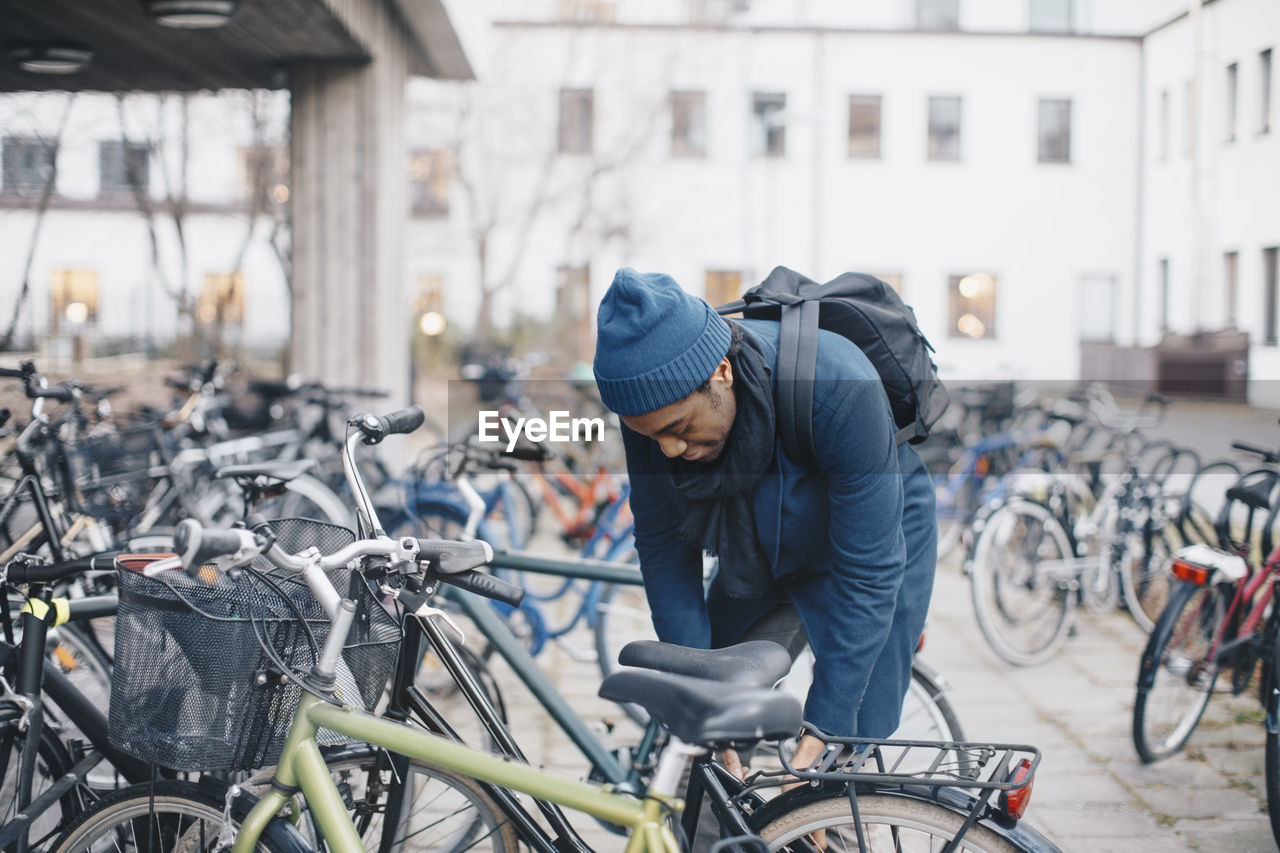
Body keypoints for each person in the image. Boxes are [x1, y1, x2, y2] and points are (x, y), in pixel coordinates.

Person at [592, 268, 937, 779]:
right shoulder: (652, 409)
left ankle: (830, 823)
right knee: (706, 737)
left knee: (844, 747)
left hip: (874, 539)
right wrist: (702, 702)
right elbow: (664, 548)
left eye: (680, 429)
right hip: (757, 541)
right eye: (650, 436)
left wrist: (825, 727)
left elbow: (870, 572)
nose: (669, 450)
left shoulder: (838, 384)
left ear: (722, 373)